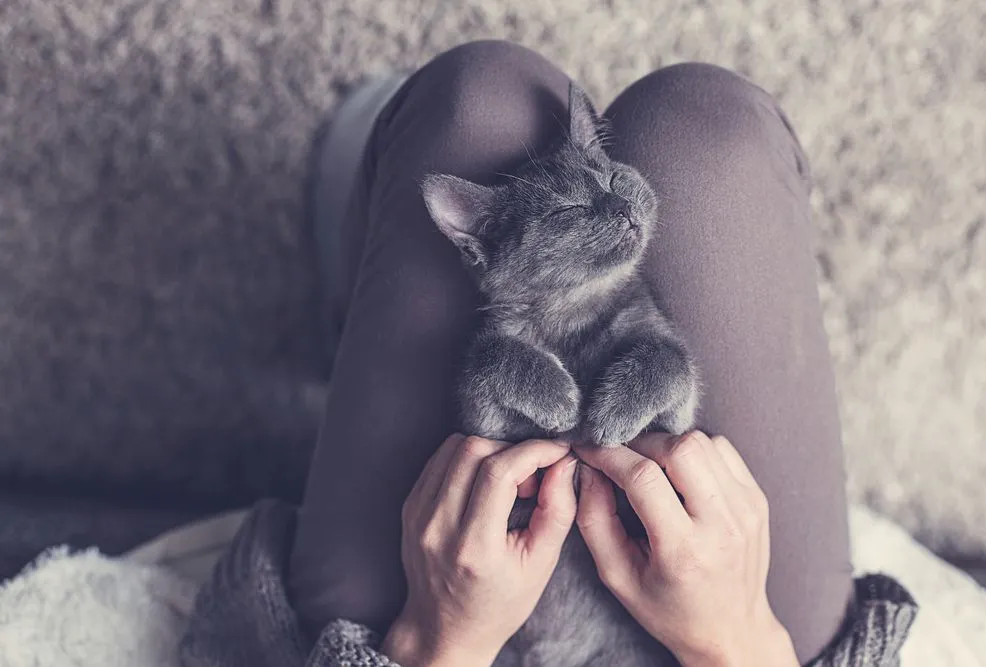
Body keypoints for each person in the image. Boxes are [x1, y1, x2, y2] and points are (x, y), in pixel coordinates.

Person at [179, 41, 916, 667]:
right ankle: (373, 266)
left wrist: (439, 639)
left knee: (477, 101)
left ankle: (360, 301)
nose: (623, 207)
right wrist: (738, 639)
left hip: (438, 612)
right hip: (709, 626)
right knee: (708, 122)